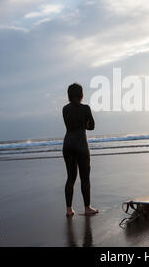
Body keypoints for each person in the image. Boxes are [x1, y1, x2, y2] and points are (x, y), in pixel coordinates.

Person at [62, 83, 99, 217]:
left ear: (69, 95)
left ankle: (68, 209)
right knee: (84, 178)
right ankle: (87, 208)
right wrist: (84, 124)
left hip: (68, 143)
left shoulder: (65, 109)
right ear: (81, 94)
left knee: (70, 178)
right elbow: (92, 126)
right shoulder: (85, 108)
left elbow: (69, 124)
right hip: (81, 144)